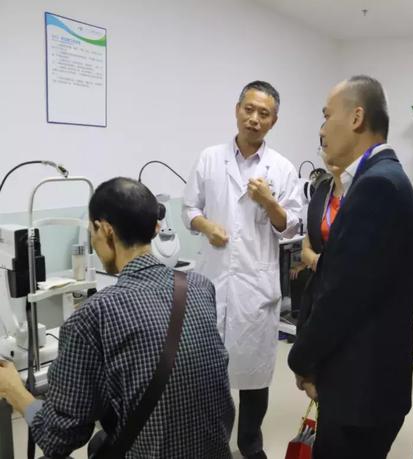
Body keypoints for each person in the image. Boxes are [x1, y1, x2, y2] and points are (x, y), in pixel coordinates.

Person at [0, 177, 234, 458]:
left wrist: (14, 390)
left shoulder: (94, 315)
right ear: (156, 227)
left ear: (105, 230)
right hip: (215, 451)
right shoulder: (200, 287)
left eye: (92, 232)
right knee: (103, 440)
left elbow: (57, 438)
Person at [288, 75, 413, 458]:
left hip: (361, 390)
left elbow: (342, 295)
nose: (321, 129)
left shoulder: (377, 185)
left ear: (357, 117)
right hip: (366, 383)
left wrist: (301, 357)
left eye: (327, 115)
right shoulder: (376, 178)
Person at [182, 80, 302, 458]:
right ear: (237, 110)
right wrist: (206, 226)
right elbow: (188, 209)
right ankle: (211, 443)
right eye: (248, 109)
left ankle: (250, 444)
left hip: (255, 285)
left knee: (255, 374)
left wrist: (269, 201)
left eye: (263, 114)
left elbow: (291, 227)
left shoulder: (281, 168)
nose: (254, 119)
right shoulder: (209, 158)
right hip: (214, 280)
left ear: (273, 121)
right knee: (209, 372)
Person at [288, 158, 344, 326]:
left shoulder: (359, 195)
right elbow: (306, 248)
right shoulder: (322, 195)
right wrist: (315, 261)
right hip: (319, 281)